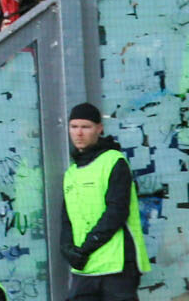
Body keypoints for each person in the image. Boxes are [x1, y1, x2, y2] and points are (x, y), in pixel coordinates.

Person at [61, 102, 151, 301]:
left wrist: (85, 248)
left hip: (117, 265)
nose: (79, 133)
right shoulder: (71, 172)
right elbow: (67, 217)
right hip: (86, 267)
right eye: (74, 127)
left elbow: (116, 212)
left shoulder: (113, 161)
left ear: (99, 129)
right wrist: (67, 249)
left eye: (86, 127)